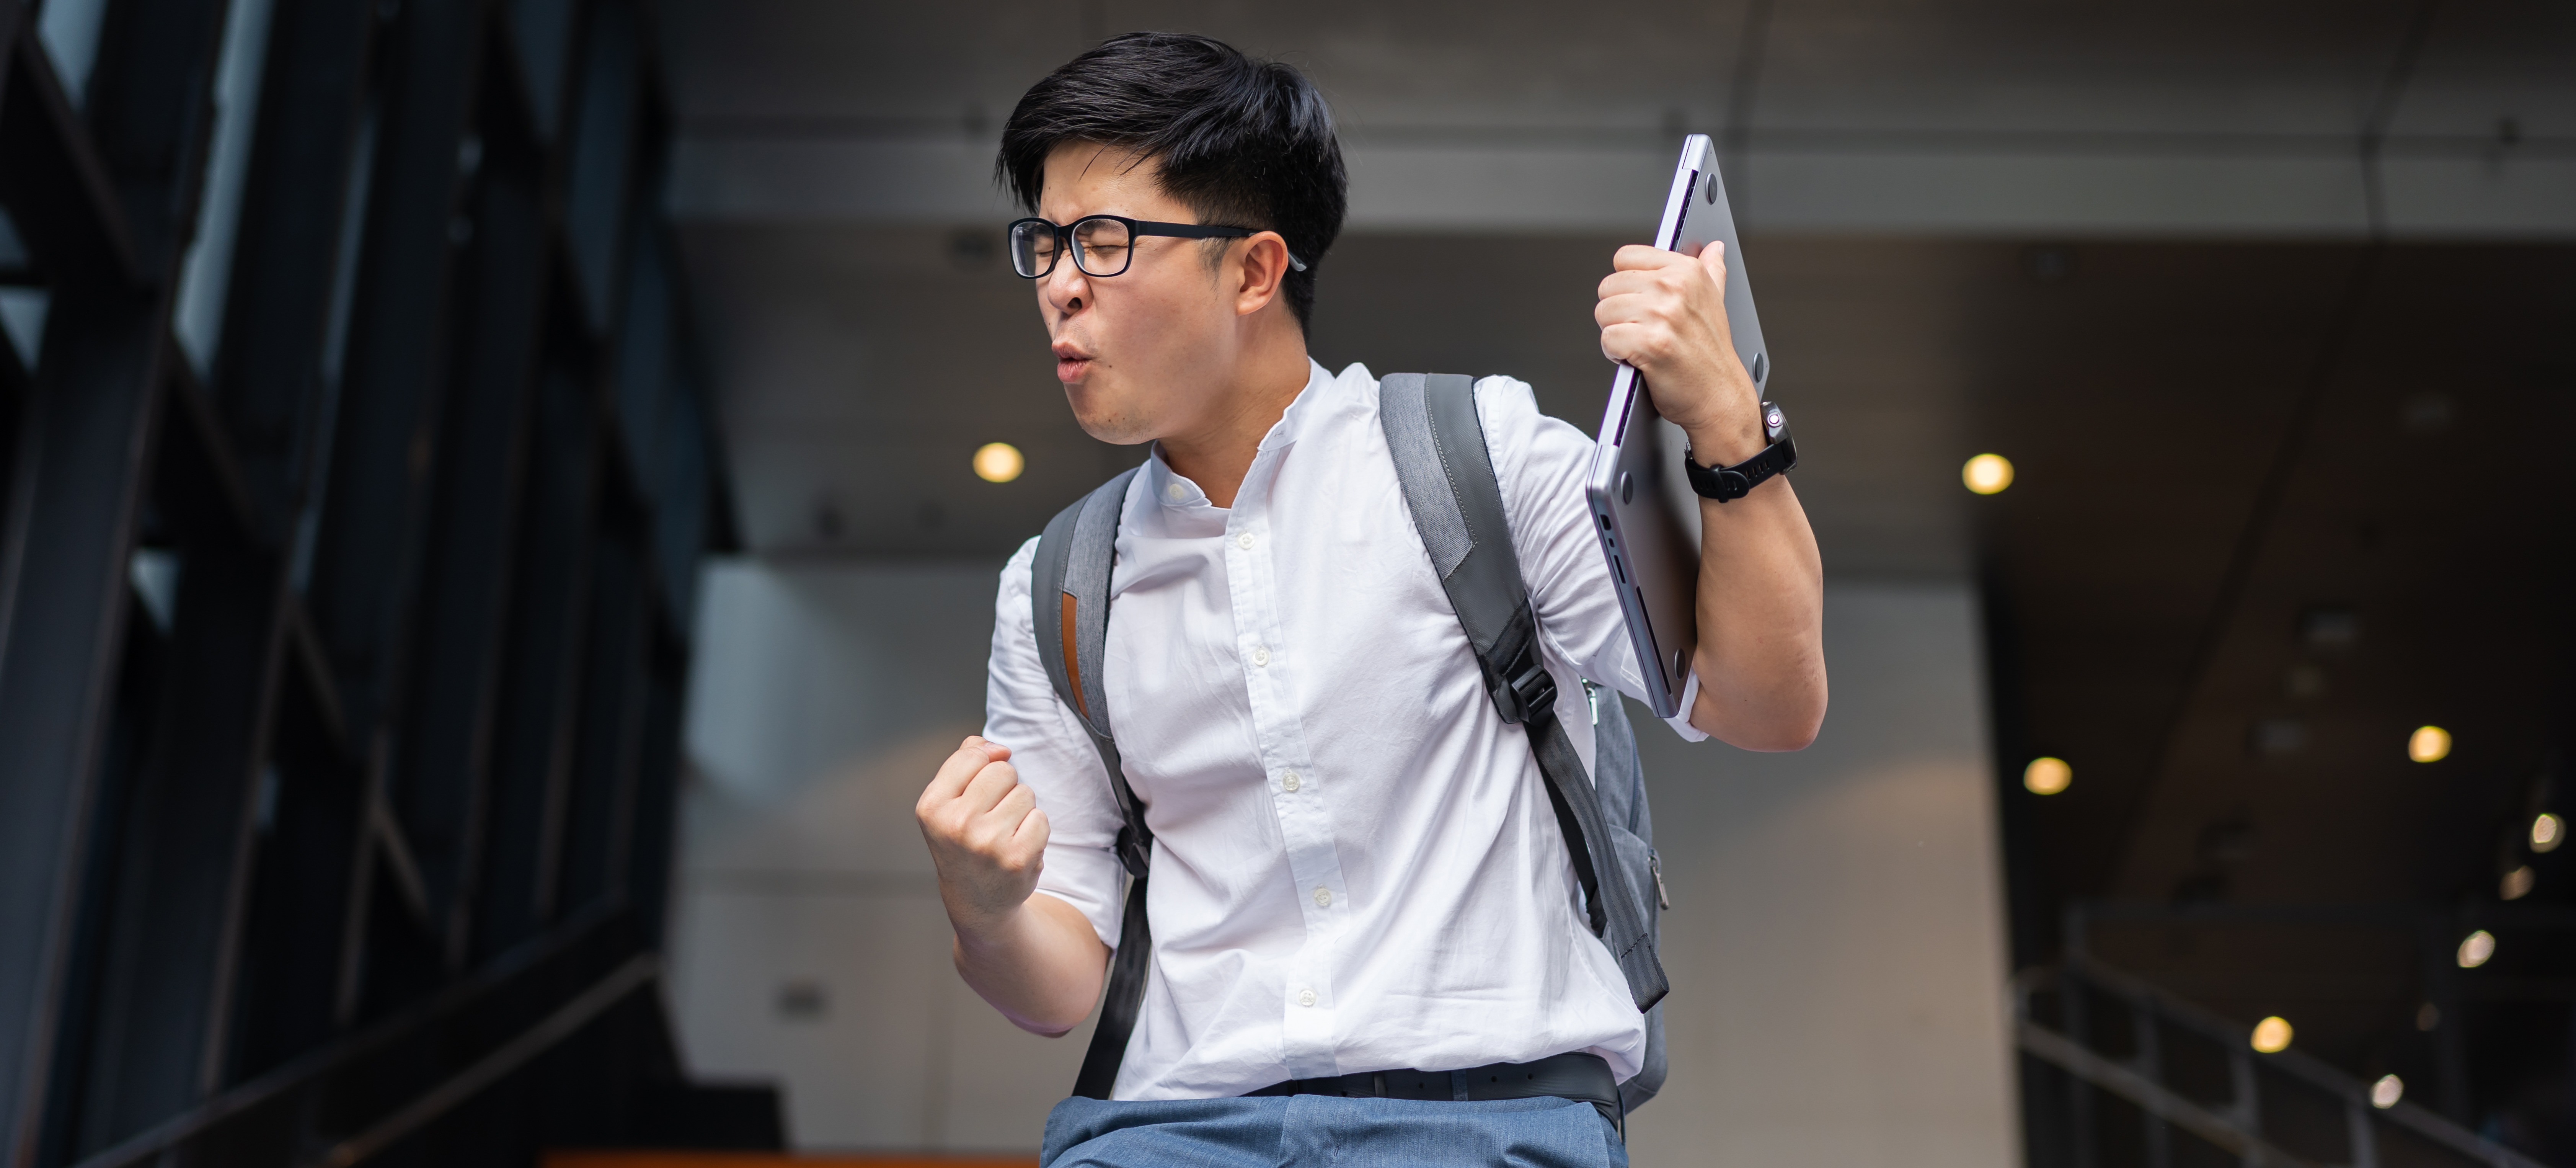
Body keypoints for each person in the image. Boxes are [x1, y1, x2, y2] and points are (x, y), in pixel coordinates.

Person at [914, 31, 1826, 1168]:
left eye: (1102, 241)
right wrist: (985, 907)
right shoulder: (1056, 585)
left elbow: (1764, 703)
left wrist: (1728, 424)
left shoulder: (1469, 456)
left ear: (1252, 269)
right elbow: (1055, 990)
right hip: (1168, 1132)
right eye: (1044, 242)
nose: (1057, 281)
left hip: (1484, 1121)